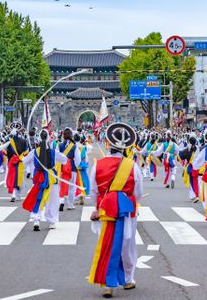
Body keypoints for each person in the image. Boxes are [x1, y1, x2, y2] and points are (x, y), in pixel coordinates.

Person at [88, 123, 143, 298]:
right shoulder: (132, 166)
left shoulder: (98, 165)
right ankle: (128, 278)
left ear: (108, 144)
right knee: (127, 245)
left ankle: (107, 282)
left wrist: (97, 207)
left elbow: (93, 191)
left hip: (105, 209)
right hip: (126, 210)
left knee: (106, 244)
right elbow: (138, 193)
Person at [22, 129, 68, 230]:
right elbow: (64, 160)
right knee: (52, 200)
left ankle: (36, 220)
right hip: (51, 177)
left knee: (38, 197)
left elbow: (24, 161)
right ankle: (51, 221)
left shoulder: (34, 152)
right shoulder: (53, 152)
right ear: (48, 138)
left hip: (39, 177)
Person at [58, 129, 82, 211]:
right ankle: (70, 204)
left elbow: (57, 156)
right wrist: (76, 165)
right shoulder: (74, 146)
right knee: (72, 187)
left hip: (63, 167)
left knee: (62, 185)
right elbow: (78, 159)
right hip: (72, 167)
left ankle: (61, 201)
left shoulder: (60, 145)